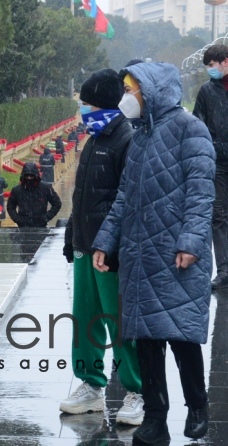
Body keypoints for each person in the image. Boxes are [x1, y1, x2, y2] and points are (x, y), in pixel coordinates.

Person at [92, 62, 215, 444]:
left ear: (153, 90)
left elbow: (201, 193)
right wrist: (105, 241)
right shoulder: (140, 136)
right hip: (139, 254)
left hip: (177, 254)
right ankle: (155, 417)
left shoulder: (190, 130)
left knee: (180, 335)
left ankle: (197, 405)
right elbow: (124, 197)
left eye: (132, 89)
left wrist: (191, 242)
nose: (127, 97)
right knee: (146, 341)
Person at [60, 68, 143, 426]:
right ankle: (91, 385)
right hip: (83, 245)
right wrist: (71, 235)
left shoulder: (127, 140)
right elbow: (83, 197)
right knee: (87, 319)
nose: (82, 110)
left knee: (118, 321)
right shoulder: (94, 139)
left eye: (86, 103)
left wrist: (110, 246)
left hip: (109, 253)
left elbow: (128, 201)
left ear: (104, 105)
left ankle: (137, 390)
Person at [193, 44, 228, 290]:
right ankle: (224, 269)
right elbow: (198, 125)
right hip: (218, 162)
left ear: (225, 62)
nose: (210, 70)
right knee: (219, 215)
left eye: (212, 65)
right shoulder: (206, 91)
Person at [6, 162, 61, 228]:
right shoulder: (17, 190)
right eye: (27, 176)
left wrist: (46, 217)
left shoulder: (45, 188)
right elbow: (10, 207)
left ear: (36, 176)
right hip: (23, 227)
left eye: (31, 176)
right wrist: (18, 219)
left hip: (41, 226)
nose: (29, 178)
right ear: (23, 176)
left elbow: (57, 203)